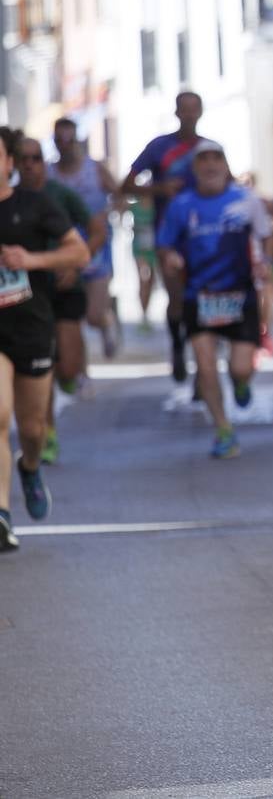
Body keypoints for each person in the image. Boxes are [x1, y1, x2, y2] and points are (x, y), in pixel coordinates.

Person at [0, 126, 90, 550]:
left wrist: (31, 258)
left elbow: (79, 252)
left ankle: (30, 465)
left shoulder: (35, 205)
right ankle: (1, 514)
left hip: (32, 326)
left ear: (9, 163)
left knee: (32, 428)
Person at [156, 141, 273, 459]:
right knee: (206, 366)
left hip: (240, 294)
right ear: (195, 169)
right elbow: (165, 244)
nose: (210, 166)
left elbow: (265, 236)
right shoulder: (182, 205)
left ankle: (241, 383)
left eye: (216, 159)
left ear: (226, 165)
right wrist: (171, 260)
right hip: (200, 294)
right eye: (203, 160)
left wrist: (265, 264)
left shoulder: (246, 201)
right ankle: (223, 430)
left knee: (240, 368)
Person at [16, 137, 101, 464]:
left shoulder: (59, 195)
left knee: (65, 366)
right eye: (22, 158)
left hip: (66, 288)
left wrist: (77, 261)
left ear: (43, 162)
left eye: (36, 158)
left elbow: (96, 230)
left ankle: (70, 376)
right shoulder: (9, 200)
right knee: (43, 367)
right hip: (29, 295)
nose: (29, 165)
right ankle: (47, 432)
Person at [122, 91, 214, 383]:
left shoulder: (208, 150)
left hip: (202, 237)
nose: (188, 115)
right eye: (183, 110)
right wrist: (159, 190)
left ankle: (203, 365)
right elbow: (127, 184)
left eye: (193, 110)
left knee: (201, 298)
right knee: (176, 296)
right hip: (169, 236)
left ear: (200, 112)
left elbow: (227, 185)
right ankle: (178, 345)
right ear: (176, 113)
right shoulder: (159, 147)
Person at [49, 117, 121, 359]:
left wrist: (108, 213)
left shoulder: (95, 168)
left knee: (92, 315)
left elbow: (119, 195)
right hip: (65, 248)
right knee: (71, 316)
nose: (65, 144)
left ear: (77, 139)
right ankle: (80, 372)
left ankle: (106, 319)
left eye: (69, 139)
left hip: (96, 246)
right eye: (60, 139)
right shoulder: (49, 173)